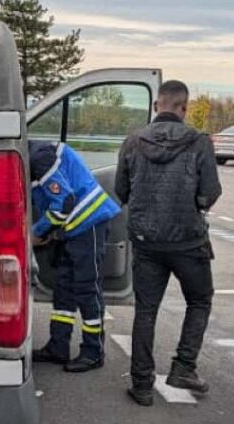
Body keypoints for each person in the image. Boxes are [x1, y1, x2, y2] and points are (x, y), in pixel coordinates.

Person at [114, 80, 222, 406]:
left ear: (156, 106)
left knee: (146, 310)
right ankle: (183, 367)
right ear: (184, 108)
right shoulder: (199, 143)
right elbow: (210, 192)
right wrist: (196, 205)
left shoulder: (132, 142)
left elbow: (121, 191)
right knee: (200, 300)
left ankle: (142, 384)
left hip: (146, 241)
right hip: (188, 240)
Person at [30, 140, 121, 372]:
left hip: (88, 222)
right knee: (64, 289)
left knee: (87, 288)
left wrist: (38, 232)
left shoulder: (38, 158)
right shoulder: (35, 155)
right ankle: (58, 346)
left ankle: (93, 352)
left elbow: (64, 201)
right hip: (74, 228)